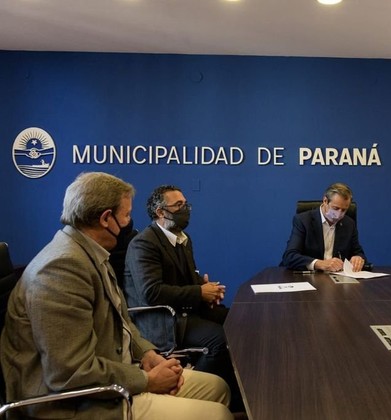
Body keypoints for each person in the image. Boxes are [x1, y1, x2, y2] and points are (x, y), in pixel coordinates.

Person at [0, 172, 232, 420]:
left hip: (115, 373)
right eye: (127, 215)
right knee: (217, 415)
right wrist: (147, 380)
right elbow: (69, 374)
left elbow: (123, 322)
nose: (130, 223)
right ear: (106, 218)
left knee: (218, 388)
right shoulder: (61, 270)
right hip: (76, 403)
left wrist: (147, 354)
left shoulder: (93, 254)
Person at [123, 185, 243, 412]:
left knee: (237, 321)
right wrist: (199, 292)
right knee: (219, 341)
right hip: (161, 319)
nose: (185, 209)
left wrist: (207, 289)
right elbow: (151, 292)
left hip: (185, 310)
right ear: (160, 212)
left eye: (186, 204)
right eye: (178, 205)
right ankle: (191, 396)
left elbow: (186, 278)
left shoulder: (182, 238)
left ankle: (237, 400)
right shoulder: (144, 243)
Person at [281, 182, 366, 272]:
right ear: (325, 201)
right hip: (308, 276)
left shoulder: (349, 224)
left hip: (338, 276)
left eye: (344, 210)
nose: (339, 215)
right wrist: (319, 264)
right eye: (336, 208)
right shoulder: (303, 221)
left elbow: (359, 253)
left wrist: (358, 258)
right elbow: (289, 257)